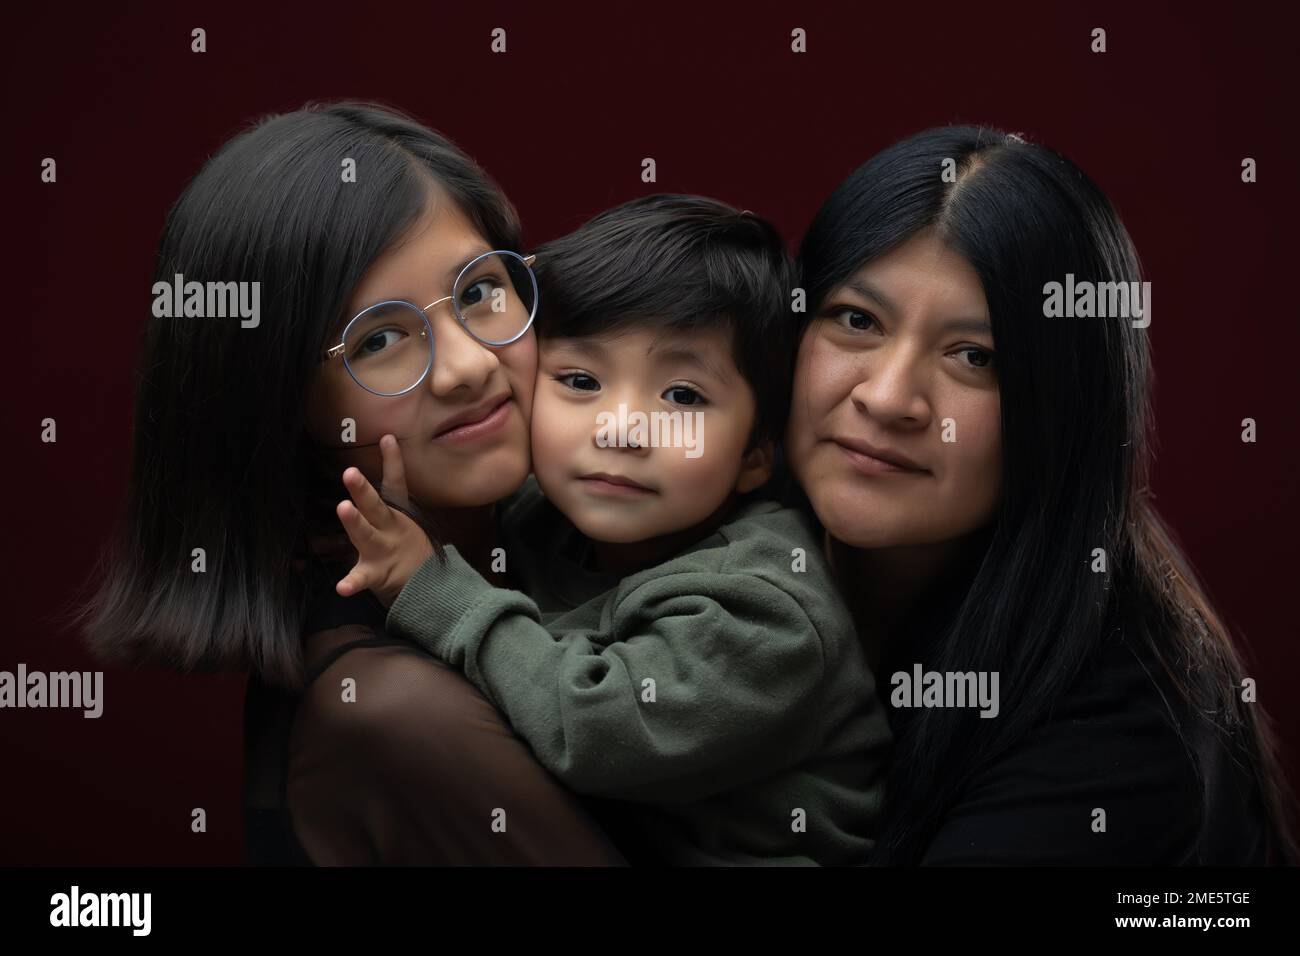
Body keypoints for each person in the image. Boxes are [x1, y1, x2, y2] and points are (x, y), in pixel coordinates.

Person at [75, 102, 625, 865]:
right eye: (382, 339)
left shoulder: (567, 543)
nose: (469, 366)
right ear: (279, 404)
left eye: (478, 291)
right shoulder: (391, 714)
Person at [783, 125, 1298, 865]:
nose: (890, 398)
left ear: (1063, 407)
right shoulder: (721, 552)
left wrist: (545, 807)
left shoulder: (1124, 728)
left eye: (974, 357)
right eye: (857, 321)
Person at [333, 196, 892, 865]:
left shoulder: (765, 609)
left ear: (755, 455)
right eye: (579, 380)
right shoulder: (543, 515)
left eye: (682, 397)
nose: (621, 428)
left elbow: (590, 728)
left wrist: (433, 585)